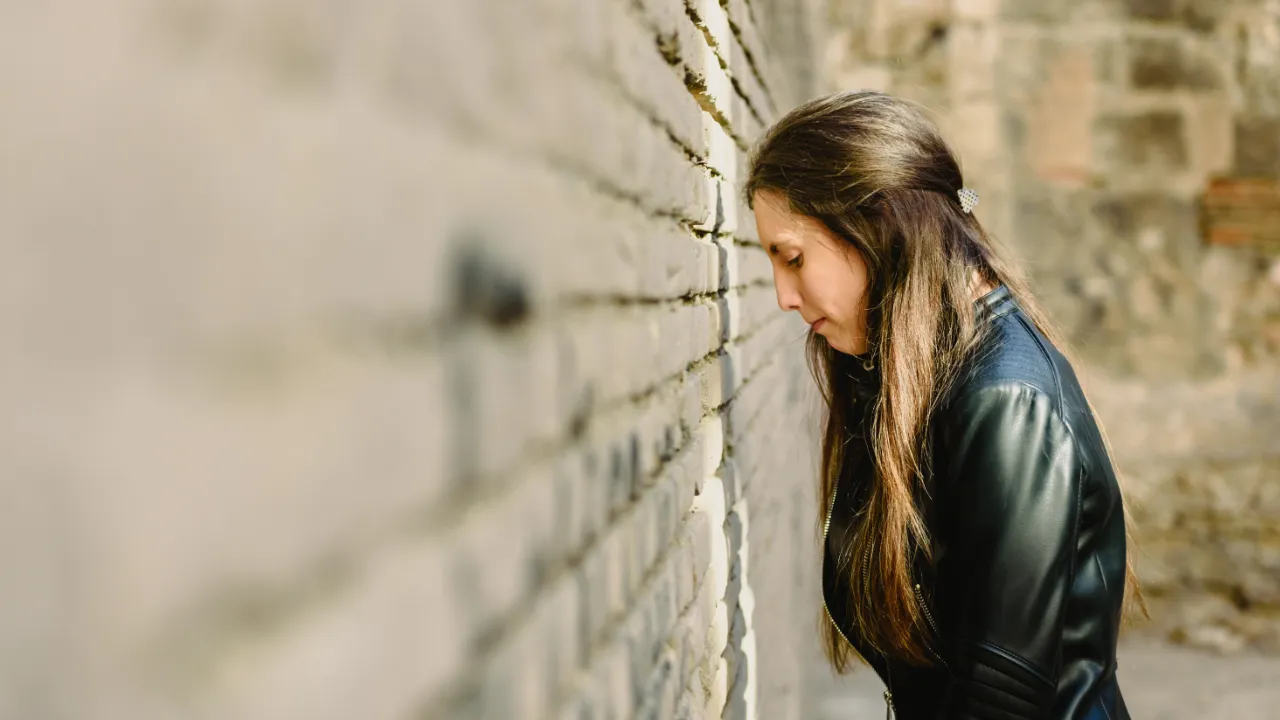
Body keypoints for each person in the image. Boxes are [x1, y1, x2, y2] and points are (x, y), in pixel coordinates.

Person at [744, 91, 1145, 719]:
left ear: (878, 227)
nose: (783, 296)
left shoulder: (1005, 402)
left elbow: (1000, 701)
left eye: (793, 257)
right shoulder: (908, 370)